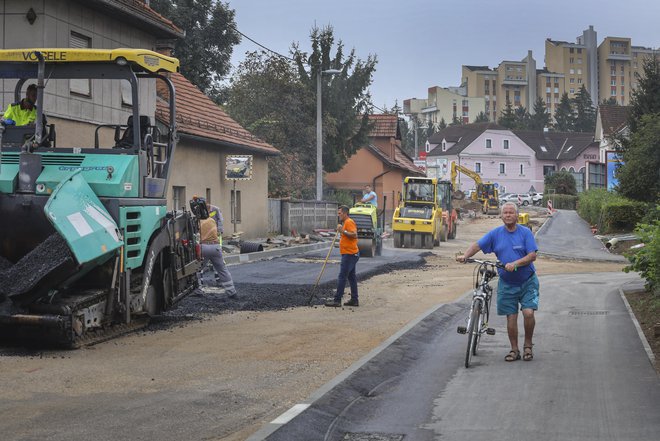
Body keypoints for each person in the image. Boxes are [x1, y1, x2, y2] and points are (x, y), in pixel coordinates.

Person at [456, 201, 539, 362]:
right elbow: (478, 245)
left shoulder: (525, 233)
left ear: (517, 215)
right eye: (505, 213)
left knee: (528, 313)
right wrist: (466, 256)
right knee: (511, 317)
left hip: (527, 281)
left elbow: (532, 255)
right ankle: (514, 350)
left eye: (511, 212)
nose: (508, 215)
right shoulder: (495, 234)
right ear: (501, 216)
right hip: (507, 283)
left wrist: (515, 263)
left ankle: (528, 345)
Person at [199, 200, 236, 298]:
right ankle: (232, 292)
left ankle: (198, 290)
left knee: (197, 269)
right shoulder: (212, 221)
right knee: (222, 269)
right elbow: (219, 224)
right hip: (215, 247)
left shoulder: (199, 222)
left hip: (203, 248)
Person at [325, 205, 360, 307]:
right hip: (350, 253)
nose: (338, 215)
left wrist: (342, 231)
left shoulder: (349, 222)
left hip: (350, 254)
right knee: (351, 277)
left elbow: (354, 234)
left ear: (345, 213)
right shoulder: (345, 223)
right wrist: (342, 231)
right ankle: (354, 300)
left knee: (342, 277)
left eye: (339, 213)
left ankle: (337, 300)